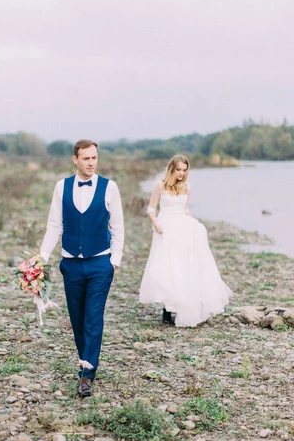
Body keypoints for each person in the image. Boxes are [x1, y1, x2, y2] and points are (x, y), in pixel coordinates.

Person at [40, 140, 124, 396]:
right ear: (75, 159)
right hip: (71, 264)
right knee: (77, 319)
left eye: (94, 158)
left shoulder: (110, 187)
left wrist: (114, 261)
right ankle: (85, 359)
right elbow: (55, 225)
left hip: (100, 262)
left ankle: (87, 372)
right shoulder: (61, 187)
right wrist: (41, 258)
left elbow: (117, 227)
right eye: (86, 158)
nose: (91, 163)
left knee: (93, 317)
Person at [139, 154, 231, 327]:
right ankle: (167, 308)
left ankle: (183, 305)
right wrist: (156, 225)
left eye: (184, 170)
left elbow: (186, 209)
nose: (181, 173)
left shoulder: (187, 187)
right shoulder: (160, 185)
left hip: (183, 226)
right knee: (168, 266)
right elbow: (151, 209)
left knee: (184, 266)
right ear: (171, 169)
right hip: (166, 227)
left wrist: (195, 226)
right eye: (178, 169)